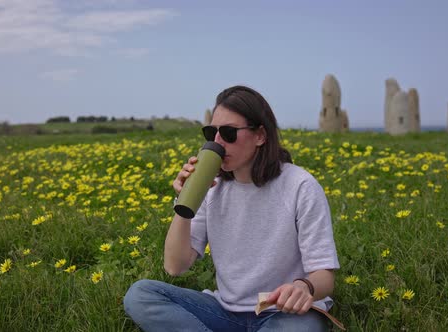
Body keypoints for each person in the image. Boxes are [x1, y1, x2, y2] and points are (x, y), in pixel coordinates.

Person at [124, 85, 340, 331]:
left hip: (283, 313)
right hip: (224, 310)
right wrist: (185, 200)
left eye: (228, 132)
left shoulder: (300, 185)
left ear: (260, 135)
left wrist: (304, 287)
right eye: (211, 132)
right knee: (140, 295)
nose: (217, 142)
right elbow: (175, 266)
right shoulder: (210, 187)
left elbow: (325, 276)